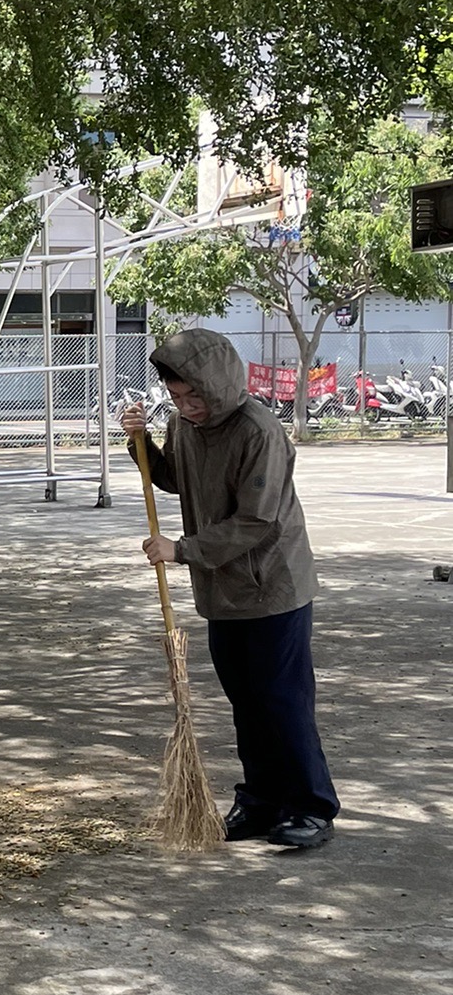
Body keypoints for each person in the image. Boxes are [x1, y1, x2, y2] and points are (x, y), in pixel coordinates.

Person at [122, 327, 337, 852]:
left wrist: (183, 550)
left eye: (195, 395)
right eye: (176, 396)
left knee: (282, 700)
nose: (187, 405)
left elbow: (257, 521)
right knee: (245, 698)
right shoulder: (185, 425)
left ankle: (310, 806)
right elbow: (174, 478)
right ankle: (261, 800)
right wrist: (140, 443)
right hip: (224, 591)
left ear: (218, 383)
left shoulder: (258, 431)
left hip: (271, 587)